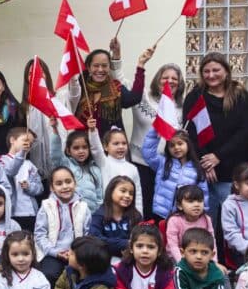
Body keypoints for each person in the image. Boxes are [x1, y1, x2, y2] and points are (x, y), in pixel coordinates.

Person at [182, 53, 248, 253]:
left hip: (232, 168)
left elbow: (246, 130)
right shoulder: (195, 96)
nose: (211, 75)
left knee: (235, 222)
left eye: (216, 70)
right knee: (208, 221)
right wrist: (206, 162)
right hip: (205, 170)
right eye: (206, 71)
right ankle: (212, 258)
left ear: (226, 71)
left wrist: (218, 156)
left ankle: (237, 260)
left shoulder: (240, 96)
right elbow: (191, 133)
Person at [67, 41, 153, 139]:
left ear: (109, 67)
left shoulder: (115, 87)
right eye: (96, 65)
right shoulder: (80, 88)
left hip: (113, 149)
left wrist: (141, 65)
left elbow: (135, 98)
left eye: (104, 65)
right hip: (84, 149)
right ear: (89, 68)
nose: (100, 70)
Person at [131, 64, 185, 219]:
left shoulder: (182, 107)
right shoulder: (143, 98)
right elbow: (120, 79)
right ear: (158, 80)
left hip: (168, 166)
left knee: (165, 209)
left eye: (174, 78)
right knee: (144, 206)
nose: (170, 81)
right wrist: (137, 64)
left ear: (180, 82)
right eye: (165, 77)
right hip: (141, 164)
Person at [35, 166, 90, 285]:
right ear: (52, 187)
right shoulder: (46, 206)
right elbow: (40, 235)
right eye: (59, 183)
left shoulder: (83, 207)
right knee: (49, 274)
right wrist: (55, 252)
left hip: (77, 254)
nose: (65, 186)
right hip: (52, 253)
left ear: (75, 183)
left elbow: (87, 235)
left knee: (79, 276)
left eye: (68, 182)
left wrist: (76, 252)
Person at [142, 127, 208, 220]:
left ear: (188, 144)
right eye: (172, 145)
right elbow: (148, 153)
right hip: (161, 215)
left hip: (185, 217)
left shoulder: (197, 168)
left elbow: (203, 193)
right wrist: (156, 130)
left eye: (180, 143)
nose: (176, 147)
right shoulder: (163, 163)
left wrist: (202, 214)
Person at [89, 119, 143, 215]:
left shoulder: (132, 168)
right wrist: (93, 131)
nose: (121, 147)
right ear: (105, 147)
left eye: (124, 143)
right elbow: (96, 149)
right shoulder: (104, 162)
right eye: (116, 144)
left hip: (127, 212)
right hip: (108, 211)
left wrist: (139, 215)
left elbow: (137, 194)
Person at [51, 124, 103, 213]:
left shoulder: (95, 169)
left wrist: (98, 214)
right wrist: (55, 130)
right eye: (76, 148)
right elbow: (56, 155)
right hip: (71, 214)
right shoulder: (66, 165)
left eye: (84, 147)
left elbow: (99, 196)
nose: (81, 151)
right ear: (68, 151)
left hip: (92, 215)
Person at [20, 57, 57, 179]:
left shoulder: (57, 100)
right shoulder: (22, 108)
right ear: (27, 78)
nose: (35, 76)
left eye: (40, 72)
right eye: (31, 73)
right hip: (33, 168)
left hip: (57, 161)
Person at [89, 176, 142, 262]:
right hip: (102, 260)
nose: (127, 196)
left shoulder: (136, 216)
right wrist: (125, 243)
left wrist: (110, 243)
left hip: (129, 260)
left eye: (131, 193)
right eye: (123, 191)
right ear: (111, 191)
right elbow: (94, 239)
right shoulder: (99, 215)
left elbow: (140, 241)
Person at [2, 127, 43, 231]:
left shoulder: (30, 164)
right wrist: (21, 154)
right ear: (12, 140)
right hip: (12, 212)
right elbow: (10, 171)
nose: (28, 145)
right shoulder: (1, 161)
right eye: (25, 141)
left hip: (30, 212)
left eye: (31, 143)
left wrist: (29, 186)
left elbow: (40, 188)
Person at [164, 185, 214, 263]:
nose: (197, 204)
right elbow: (173, 246)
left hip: (200, 256)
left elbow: (212, 242)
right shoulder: (174, 220)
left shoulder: (206, 219)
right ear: (179, 206)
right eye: (191, 201)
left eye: (200, 201)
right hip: (176, 258)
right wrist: (182, 263)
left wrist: (213, 261)